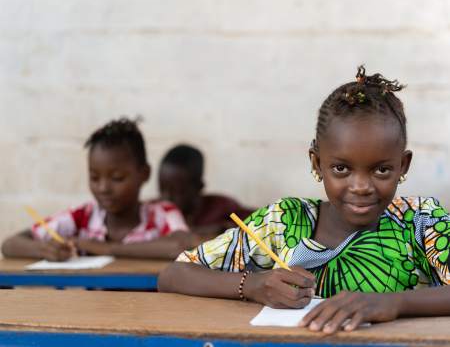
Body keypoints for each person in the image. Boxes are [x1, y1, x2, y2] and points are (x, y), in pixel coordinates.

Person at [158, 66, 450, 334]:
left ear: (404, 166)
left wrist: (393, 304)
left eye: (381, 169)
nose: (361, 186)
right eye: (341, 168)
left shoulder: (421, 221)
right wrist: (253, 284)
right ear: (316, 162)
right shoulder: (282, 221)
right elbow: (173, 275)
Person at [2, 118, 193, 261]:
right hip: (92, 311)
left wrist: (107, 248)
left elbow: (182, 245)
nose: (103, 188)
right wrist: (44, 249)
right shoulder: (82, 216)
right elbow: (10, 244)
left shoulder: (161, 213)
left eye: (117, 178)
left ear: (144, 174)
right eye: (94, 177)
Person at [158, 144, 253, 236]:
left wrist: (222, 229)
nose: (167, 197)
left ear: (199, 187)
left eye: (178, 192)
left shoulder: (222, 208)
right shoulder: (154, 212)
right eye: (162, 189)